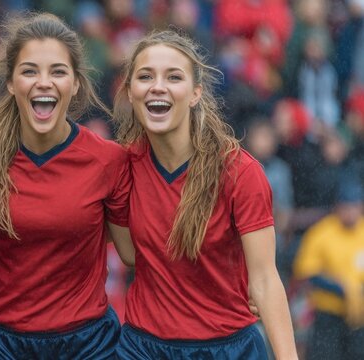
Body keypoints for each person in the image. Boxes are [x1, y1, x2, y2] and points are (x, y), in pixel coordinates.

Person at [113, 30, 297, 359]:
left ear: (196, 93)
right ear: (130, 91)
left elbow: (266, 281)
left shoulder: (240, 172)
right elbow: (129, 254)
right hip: (142, 347)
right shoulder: (119, 166)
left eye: (173, 76)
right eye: (145, 76)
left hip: (228, 348)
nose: (158, 86)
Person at [0, 13, 134, 359]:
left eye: (57, 71)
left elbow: (134, 252)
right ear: (11, 82)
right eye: (30, 71)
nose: (44, 82)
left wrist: (238, 280)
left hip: (89, 344)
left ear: (75, 83)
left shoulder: (108, 160)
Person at [293, 178, 364, 360]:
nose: (350, 212)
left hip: (359, 317)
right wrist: (341, 288)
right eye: (346, 207)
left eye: (354, 207)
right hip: (328, 315)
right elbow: (307, 272)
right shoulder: (321, 232)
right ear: (337, 207)